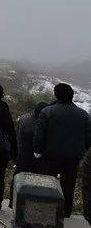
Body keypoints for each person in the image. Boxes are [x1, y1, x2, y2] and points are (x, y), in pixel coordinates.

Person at [33, 83, 91, 218]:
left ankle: (47, 208)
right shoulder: (83, 114)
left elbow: (39, 134)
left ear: (56, 95)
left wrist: (38, 151)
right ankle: (65, 211)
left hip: (51, 154)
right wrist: (82, 151)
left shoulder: (47, 111)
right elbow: (88, 137)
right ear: (72, 96)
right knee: (68, 184)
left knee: (48, 182)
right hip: (73, 156)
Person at [10, 101, 48, 207]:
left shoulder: (24, 118)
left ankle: (12, 201)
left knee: (18, 178)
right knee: (36, 181)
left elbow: (17, 134)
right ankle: (31, 204)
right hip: (36, 158)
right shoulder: (41, 124)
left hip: (22, 154)